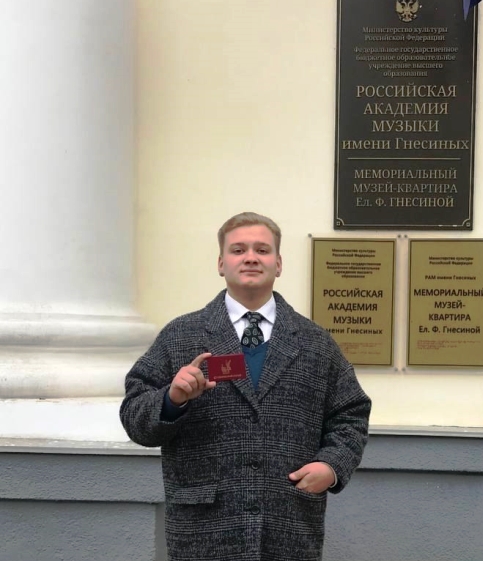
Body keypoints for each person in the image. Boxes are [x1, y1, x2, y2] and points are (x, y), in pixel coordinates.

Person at [120, 212, 372, 561]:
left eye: (262, 250)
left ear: (278, 264)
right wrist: (171, 399)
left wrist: (331, 467)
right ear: (221, 263)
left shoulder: (315, 343)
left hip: (288, 528)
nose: (251, 257)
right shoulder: (180, 336)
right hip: (204, 532)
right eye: (238, 250)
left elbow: (351, 415)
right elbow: (135, 416)